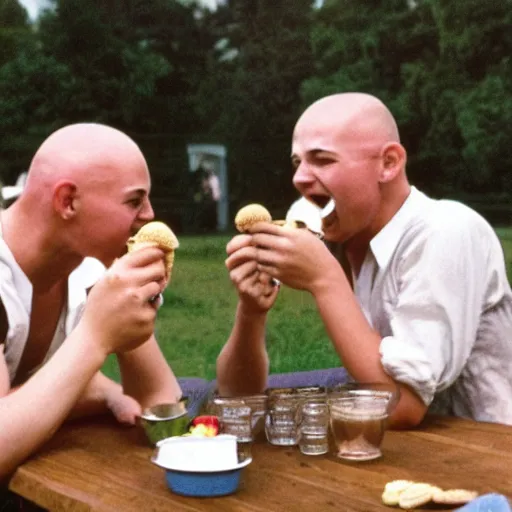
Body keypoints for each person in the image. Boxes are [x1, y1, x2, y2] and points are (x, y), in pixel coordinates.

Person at [216, 92, 512, 429]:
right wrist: (251, 311)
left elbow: (401, 405)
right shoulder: (338, 235)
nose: (299, 178)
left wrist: (324, 280)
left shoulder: (447, 231)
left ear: (388, 163)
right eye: (298, 162)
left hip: (488, 454)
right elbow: (235, 398)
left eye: (323, 159)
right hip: (394, 455)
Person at [0, 123, 183, 479]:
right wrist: (95, 339)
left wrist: (100, 389)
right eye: (135, 200)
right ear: (67, 201)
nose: (149, 215)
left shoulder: (89, 269)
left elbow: (163, 407)